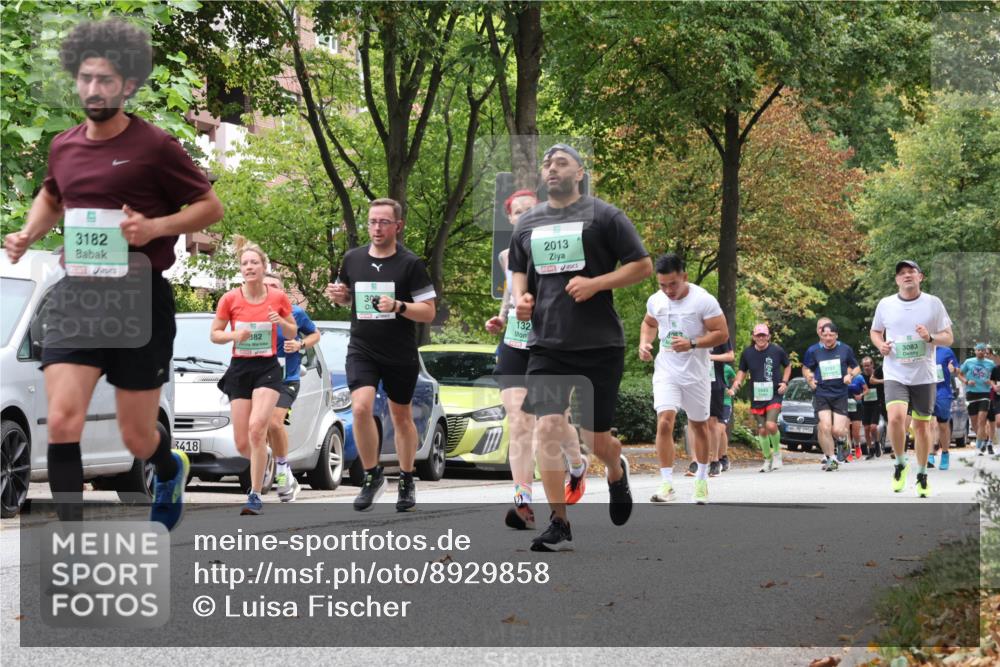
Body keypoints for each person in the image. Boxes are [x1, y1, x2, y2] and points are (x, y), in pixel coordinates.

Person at [3, 20, 223, 527]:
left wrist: (155, 227)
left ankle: (168, 466)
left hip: (137, 298)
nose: (94, 88)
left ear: (127, 85)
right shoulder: (64, 145)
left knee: (136, 435)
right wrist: (29, 233)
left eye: (105, 80)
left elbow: (210, 207)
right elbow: (52, 195)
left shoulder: (156, 147)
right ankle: (70, 538)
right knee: (62, 419)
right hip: (76, 295)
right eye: (86, 78)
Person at [509, 143, 652, 551]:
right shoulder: (528, 223)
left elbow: (642, 265)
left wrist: (596, 284)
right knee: (548, 427)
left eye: (562, 163)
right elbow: (518, 269)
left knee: (595, 438)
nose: (552, 168)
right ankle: (559, 520)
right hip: (547, 344)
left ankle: (615, 468)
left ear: (579, 172)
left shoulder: (604, 216)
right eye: (548, 164)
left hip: (598, 343)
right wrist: (521, 299)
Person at [325, 198, 437, 512]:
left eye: (384, 222)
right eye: (373, 221)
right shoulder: (353, 258)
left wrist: (398, 306)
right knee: (360, 408)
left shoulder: (410, 264)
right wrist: (339, 296)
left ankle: (406, 478)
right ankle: (372, 475)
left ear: (398, 226)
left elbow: (428, 312)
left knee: (401, 416)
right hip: (362, 347)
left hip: (399, 351)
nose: (377, 228)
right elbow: (347, 298)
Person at [485, 190, 585, 530]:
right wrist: (501, 318)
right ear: (510, 218)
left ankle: (577, 465)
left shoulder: (559, 248)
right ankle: (523, 501)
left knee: (555, 423)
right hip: (515, 342)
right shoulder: (505, 256)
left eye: (531, 210)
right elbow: (511, 295)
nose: (524, 216)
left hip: (552, 344)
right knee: (519, 421)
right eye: (518, 212)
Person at [211, 239, 297, 515]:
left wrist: (280, 322)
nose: (249, 267)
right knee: (242, 442)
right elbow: (215, 334)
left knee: (257, 427)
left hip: (266, 369)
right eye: (244, 263)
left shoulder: (277, 297)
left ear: (263, 267)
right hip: (239, 369)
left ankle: (255, 495)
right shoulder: (230, 298)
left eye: (254, 262)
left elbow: (293, 331)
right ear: (241, 269)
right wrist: (234, 335)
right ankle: (272, 459)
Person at [639, 253, 728, 504]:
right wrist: (644, 343)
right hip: (667, 370)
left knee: (699, 426)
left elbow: (722, 333)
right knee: (664, 421)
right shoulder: (656, 300)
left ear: (684, 277)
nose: (668, 290)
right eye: (662, 285)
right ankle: (667, 483)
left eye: (673, 284)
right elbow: (649, 323)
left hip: (696, 374)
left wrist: (693, 343)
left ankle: (701, 479)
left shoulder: (703, 301)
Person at [870, 259, 954, 498]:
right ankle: (900, 463)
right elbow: (875, 331)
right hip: (895, 372)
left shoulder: (933, 303)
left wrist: (930, 338)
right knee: (896, 418)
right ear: (897, 280)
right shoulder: (886, 304)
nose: (906, 275)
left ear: (920, 277)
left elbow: (949, 338)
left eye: (911, 272)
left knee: (921, 426)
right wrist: (880, 345)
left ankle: (922, 474)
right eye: (902, 273)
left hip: (923, 375)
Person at [262, 273, 321, 502]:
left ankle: (282, 470)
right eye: (265, 285)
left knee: (274, 423)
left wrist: (300, 344)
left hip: (287, 379)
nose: (269, 288)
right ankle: (282, 476)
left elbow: (315, 334)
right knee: (260, 430)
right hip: (259, 377)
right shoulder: (252, 312)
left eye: (274, 285)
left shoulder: (294, 313)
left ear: (282, 290)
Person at [730, 324, 792, 472]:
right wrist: (737, 383)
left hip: (774, 394)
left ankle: (776, 455)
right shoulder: (747, 353)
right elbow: (742, 371)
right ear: (754, 337)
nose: (761, 338)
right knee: (762, 431)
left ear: (768, 336)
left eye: (764, 335)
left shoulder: (776, 350)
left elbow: (788, 365)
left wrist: (784, 382)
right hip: (757, 395)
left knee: (770, 425)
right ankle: (767, 459)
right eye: (758, 336)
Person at [804, 322, 860, 471]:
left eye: (831, 335)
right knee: (824, 426)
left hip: (840, 394)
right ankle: (831, 458)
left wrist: (850, 375)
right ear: (821, 335)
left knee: (837, 430)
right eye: (825, 335)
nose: (828, 338)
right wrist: (810, 379)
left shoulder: (845, 349)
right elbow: (806, 368)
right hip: (822, 393)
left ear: (836, 335)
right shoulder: (814, 351)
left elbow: (856, 367)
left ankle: (843, 439)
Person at [957, 343, 996, 455]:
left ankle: (978, 447)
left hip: (985, 394)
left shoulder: (990, 364)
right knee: (974, 423)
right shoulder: (968, 362)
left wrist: (990, 382)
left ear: (985, 352)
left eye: (982, 350)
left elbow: (995, 377)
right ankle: (983, 440)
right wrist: (967, 381)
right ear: (975, 351)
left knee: (981, 419)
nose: (980, 352)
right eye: (978, 350)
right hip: (971, 394)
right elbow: (960, 374)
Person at [929, 344, 959, 470]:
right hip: (926, 391)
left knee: (943, 425)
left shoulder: (946, 351)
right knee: (929, 424)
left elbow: (957, 370)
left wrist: (953, 369)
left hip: (942, 392)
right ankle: (930, 454)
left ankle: (945, 453)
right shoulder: (921, 349)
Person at [708, 342, 736, 475]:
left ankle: (721, 458)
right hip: (712, 396)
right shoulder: (705, 367)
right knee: (717, 429)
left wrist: (732, 389)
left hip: (725, 401)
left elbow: (736, 380)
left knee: (720, 428)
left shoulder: (727, 368)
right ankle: (722, 457)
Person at [859, 356, 886, 459]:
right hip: (865, 404)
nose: (866, 368)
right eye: (864, 366)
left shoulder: (877, 374)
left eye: (868, 365)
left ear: (872, 365)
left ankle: (877, 442)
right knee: (866, 428)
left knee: (873, 427)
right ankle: (871, 450)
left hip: (876, 404)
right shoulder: (861, 377)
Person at [847, 373, 867, 461]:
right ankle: (848, 452)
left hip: (857, 406)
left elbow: (866, 390)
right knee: (846, 430)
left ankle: (857, 446)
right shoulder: (842, 376)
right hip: (845, 405)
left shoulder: (859, 377)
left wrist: (861, 395)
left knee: (855, 432)